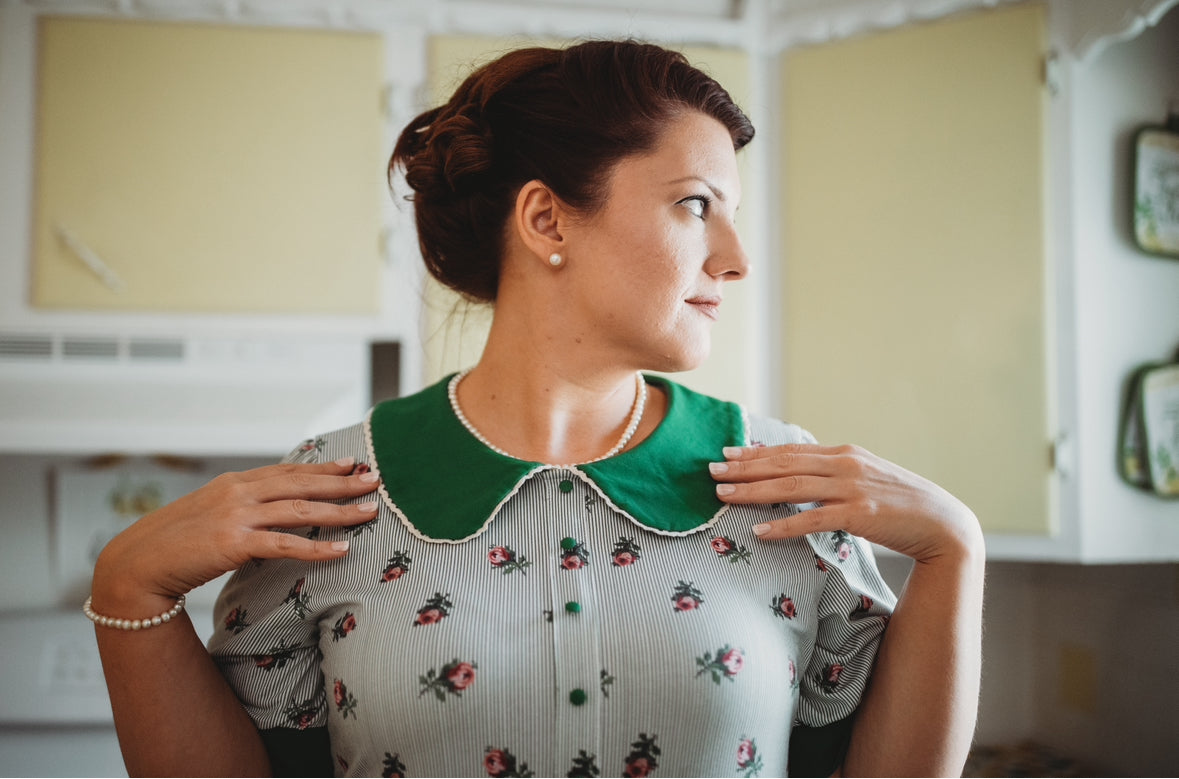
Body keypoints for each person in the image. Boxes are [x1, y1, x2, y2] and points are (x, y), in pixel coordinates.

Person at [88, 40, 984, 777]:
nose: (736, 257)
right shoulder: (336, 497)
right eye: (696, 206)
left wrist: (953, 547)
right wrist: (127, 582)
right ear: (547, 222)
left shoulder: (788, 488)